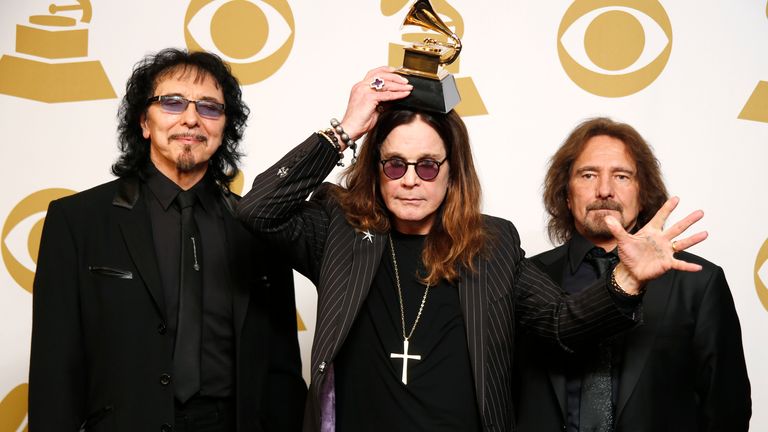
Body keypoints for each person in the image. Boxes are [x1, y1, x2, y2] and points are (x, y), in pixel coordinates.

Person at [236, 67, 706, 432]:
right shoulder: (339, 229)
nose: (410, 180)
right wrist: (345, 129)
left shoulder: (491, 245)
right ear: (375, 168)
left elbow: (563, 324)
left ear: (451, 171)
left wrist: (626, 280)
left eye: (427, 166)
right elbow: (258, 209)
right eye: (395, 165)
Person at [28, 48, 306, 432]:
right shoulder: (77, 221)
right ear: (144, 121)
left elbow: (283, 373)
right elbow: (53, 370)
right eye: (172, 103)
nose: (191, 118)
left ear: (225, 127)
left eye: (210, 108)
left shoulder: (259, 228)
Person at [512, 117, 751, 432]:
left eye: (621, 176)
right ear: (566, 194)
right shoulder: (524, 276)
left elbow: (726, 411)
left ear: (643, 193)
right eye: (588, 175)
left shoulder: (698, 282)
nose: (605, 190)